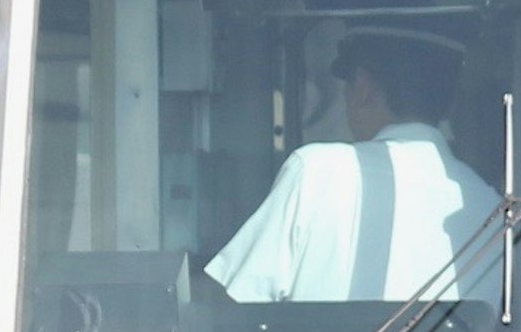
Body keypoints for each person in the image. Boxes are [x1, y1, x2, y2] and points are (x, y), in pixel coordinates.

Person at [203, 29, 505, 305]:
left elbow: (232, 307)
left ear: (363, 89)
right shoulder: (490, 209)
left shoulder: (315, 173)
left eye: (347, 88)